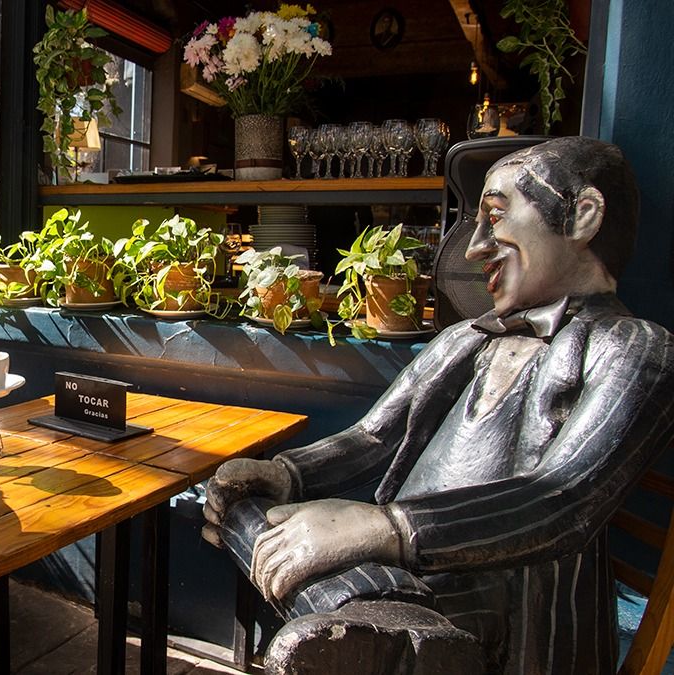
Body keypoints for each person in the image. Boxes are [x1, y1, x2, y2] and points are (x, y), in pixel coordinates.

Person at [203, 136, 674, 674]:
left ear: (582, 216)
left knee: (333, 602)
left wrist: (384, 528)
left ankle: (391, 632)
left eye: (495, 217)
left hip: (512, 618)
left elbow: (565, 497)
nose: (474, 248)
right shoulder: (464, 339)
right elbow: (375, 437)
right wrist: (287, 475)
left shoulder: (634, 347)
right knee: (249, 515)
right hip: (409, 583)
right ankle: (386, 623)